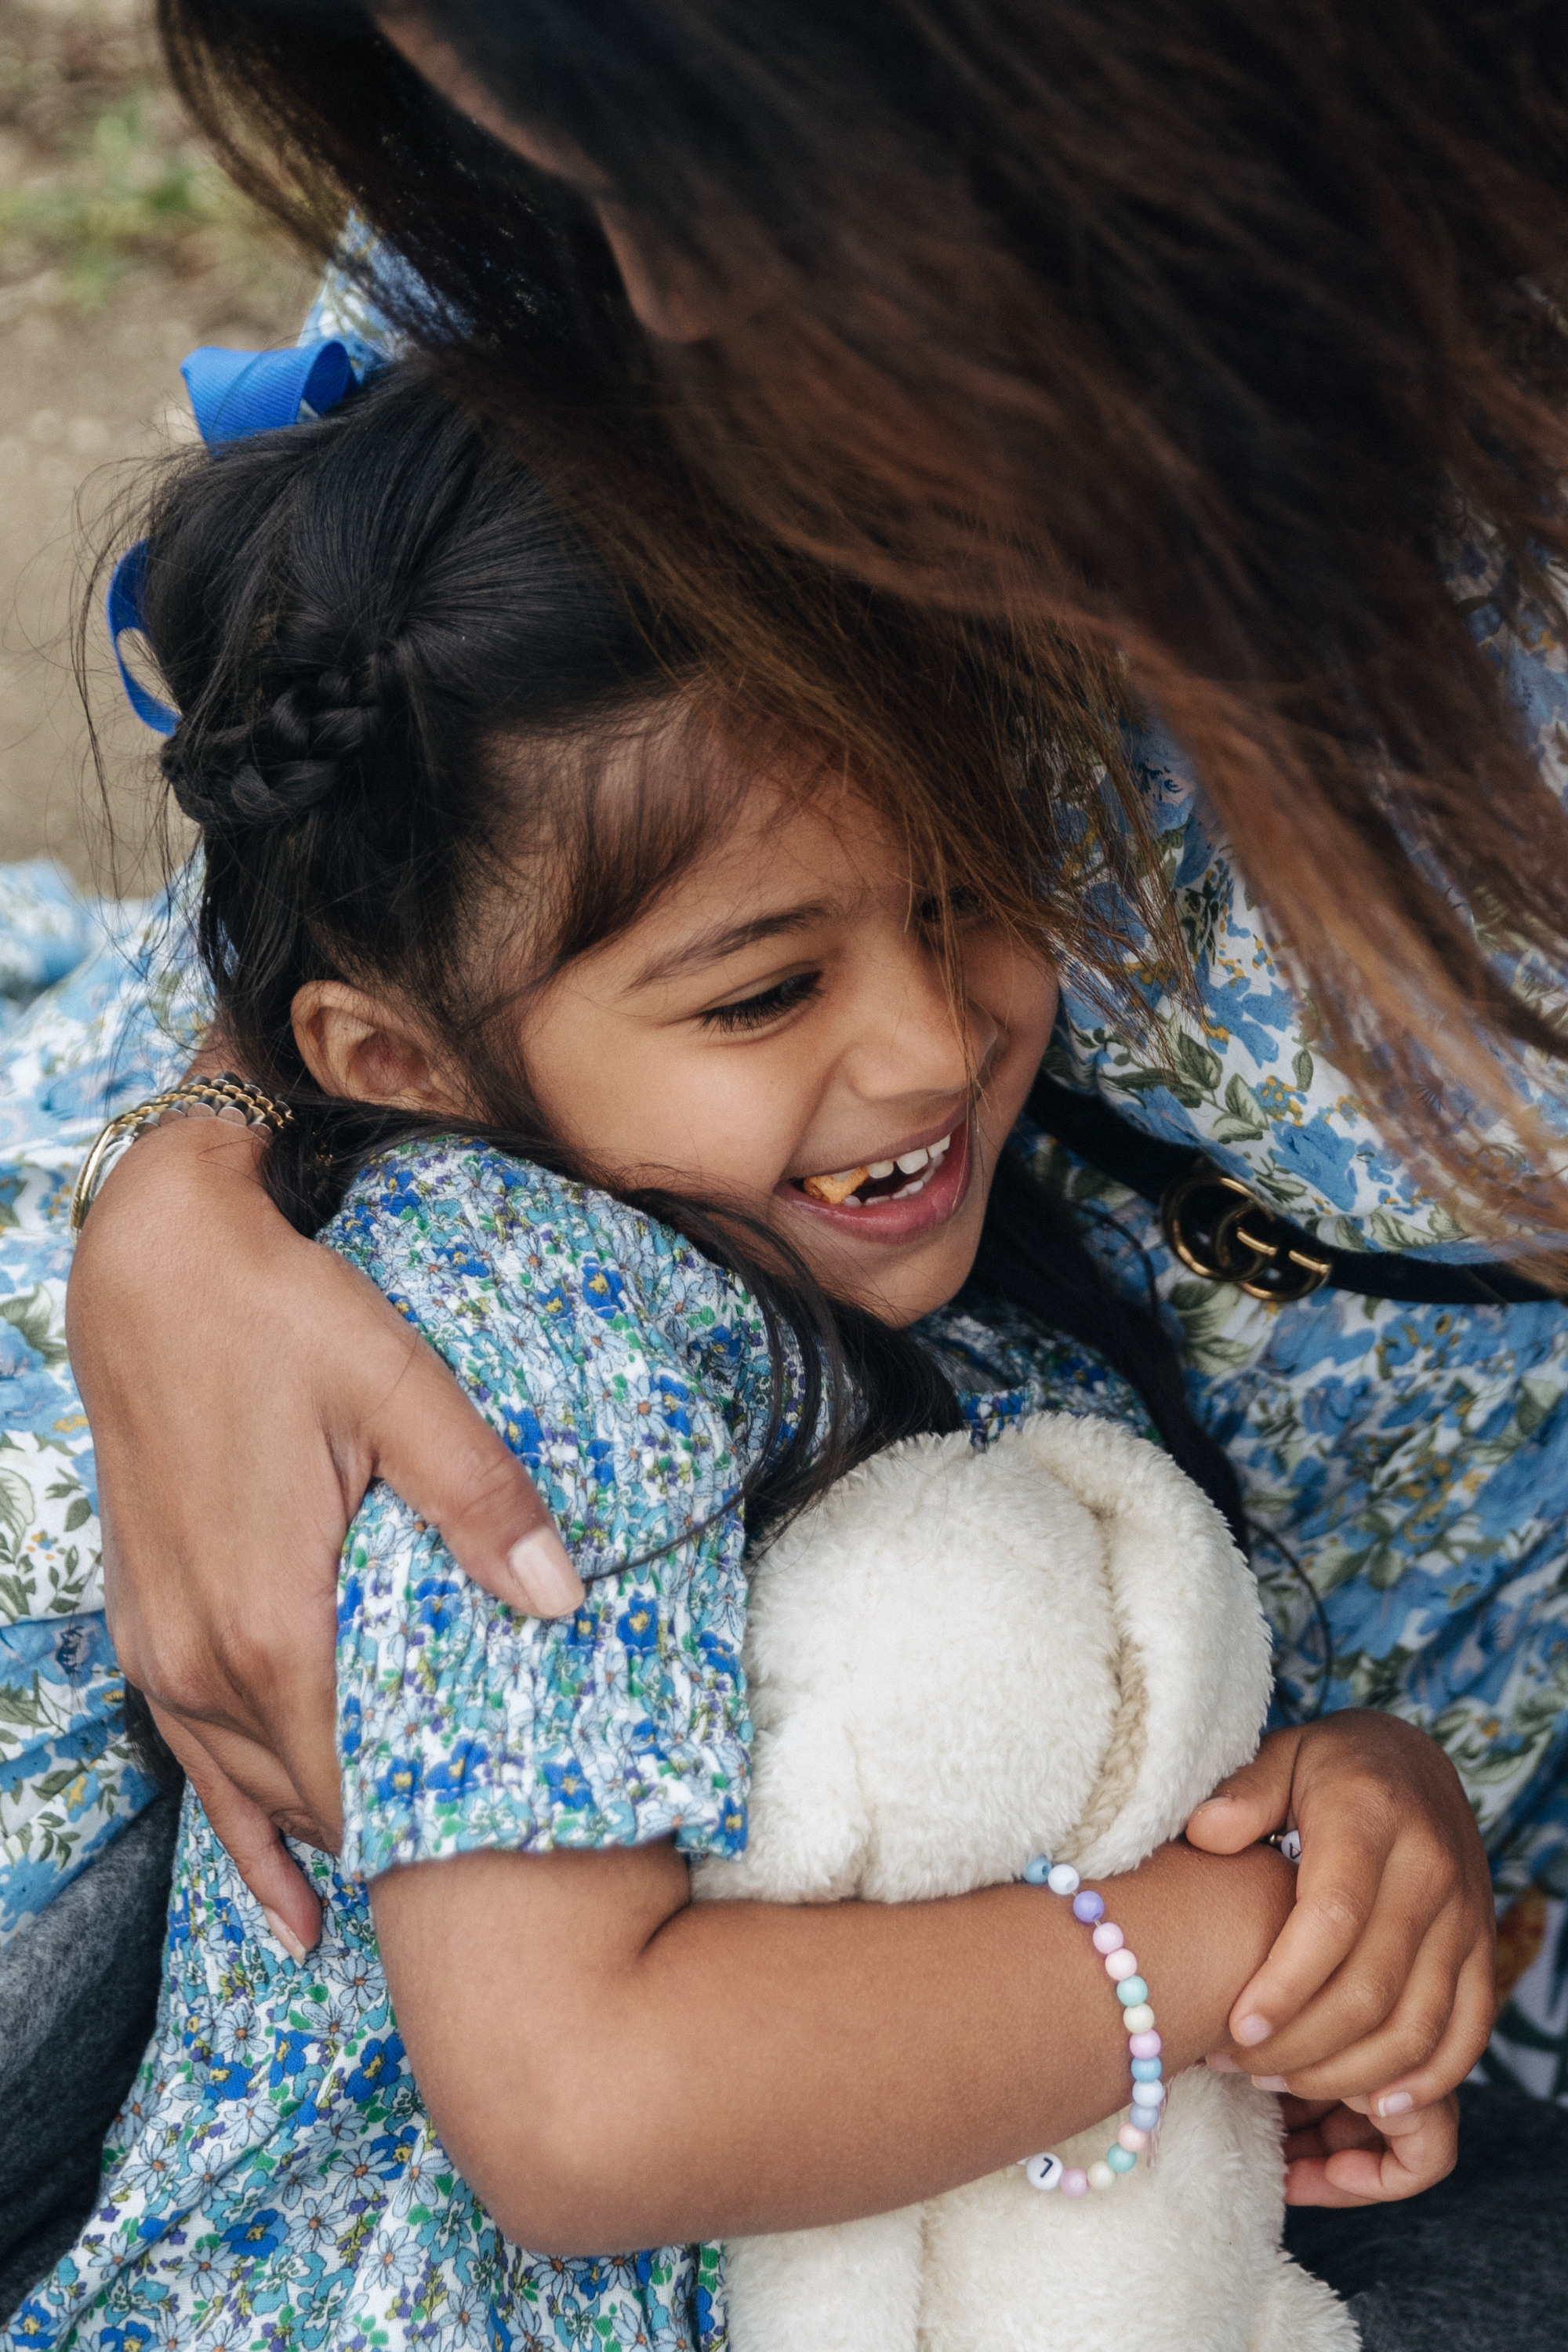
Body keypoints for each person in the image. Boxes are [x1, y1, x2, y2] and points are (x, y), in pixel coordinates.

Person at [5, 356, 1396, 2350]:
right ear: (394, 1063)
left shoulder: (910, 1269)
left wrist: (1357, 1820)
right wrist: (1223, 1952)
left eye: (963, 893)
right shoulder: (520, 1330)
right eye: (765, 990)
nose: (932, 1041)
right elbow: (575, 2103)